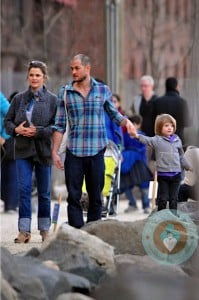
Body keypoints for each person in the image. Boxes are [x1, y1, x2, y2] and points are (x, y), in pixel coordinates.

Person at [52, 53, 136, 229]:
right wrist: (54, 152)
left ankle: (94, 231)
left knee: (96, 196)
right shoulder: (65, 92)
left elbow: (114, 114)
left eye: (77, 68)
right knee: (74, 196)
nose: (73, 72)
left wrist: (126, 122)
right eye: (72, 69)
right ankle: (77, 232)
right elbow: (59, 124)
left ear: (87, 68)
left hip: (97, 150)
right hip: (74, 151)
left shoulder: (103, 90)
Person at [4, 60, 57, 243]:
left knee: (44, 192)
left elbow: (56, 126)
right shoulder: (19, 99)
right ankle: (24, 231)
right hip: (22, 150)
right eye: (32, 75)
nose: (34, 78)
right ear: (28, 77)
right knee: (24, 189)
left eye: (38, 75)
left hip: (42, 151)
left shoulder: (52, 100)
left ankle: (44, 230)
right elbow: (7, 122)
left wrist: (39, 131)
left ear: (44, 77)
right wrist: (16, 130)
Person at [131, 114, 192, 212]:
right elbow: (147, 140)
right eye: (166, 125)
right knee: (163, 198)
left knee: (174, 199)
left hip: (176, 175)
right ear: (160, 127)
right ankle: (161, 216)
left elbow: (181, 156)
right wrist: (137, 135)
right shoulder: (157, 140)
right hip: (163, 175)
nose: (170, 128)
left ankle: (173, 217)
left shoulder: (177, 140)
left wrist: (187, 166)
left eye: (172, 126)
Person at [120, 114, 152, 214]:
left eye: (135, 124)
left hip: (139, 164)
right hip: (128, 165)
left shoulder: (142, 136)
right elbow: (122, 147)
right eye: (131, 123)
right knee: (126, 186)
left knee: (144, 187)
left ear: (139, 125)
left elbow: (143, 150)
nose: (132, 125)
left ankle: (146, 205)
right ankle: (132, 203)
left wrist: (132, 152)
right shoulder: (124, 136)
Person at [153, 77, 190, 145]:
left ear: (166, 86)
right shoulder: (182, 102)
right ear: (176, 86)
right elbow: (186, 123)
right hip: (177, 139)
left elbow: (153, 122)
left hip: (161, 141)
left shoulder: (157, 102)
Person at [1, 91, 19, 213]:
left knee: (11, 171)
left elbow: (10, 115)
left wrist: (2, 135)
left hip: (7, 140)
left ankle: (11, 205)